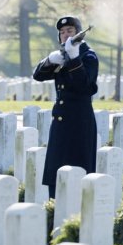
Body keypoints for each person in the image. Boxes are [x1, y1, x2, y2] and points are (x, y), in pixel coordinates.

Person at [33, 15, 98, 199]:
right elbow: (38, 75)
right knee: (55, 174)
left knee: (78, 173)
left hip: (80, 124)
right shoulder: (62, 54)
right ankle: (55, 210)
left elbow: (85, 86)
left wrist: (74, 59)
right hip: (60, 124)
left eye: (69, 31)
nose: (65, 35)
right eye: (61, 32)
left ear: (78, 34)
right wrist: (49, 61)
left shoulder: (88, 55)